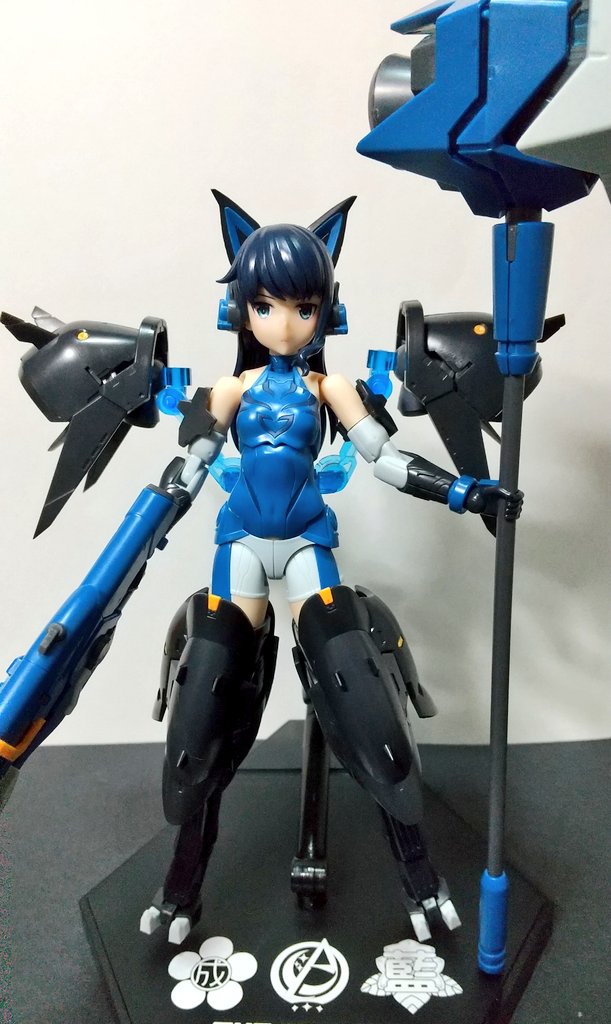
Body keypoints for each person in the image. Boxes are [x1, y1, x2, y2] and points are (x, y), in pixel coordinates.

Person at [139, 191, 517, 944]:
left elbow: (384, 459)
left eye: (302, 308)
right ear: (243, 310)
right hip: (242, 545)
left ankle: (420, 883)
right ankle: (180, 893)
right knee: (203, 719)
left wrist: (463, 491)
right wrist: (140, 536)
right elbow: (190, 468)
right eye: (267, 306)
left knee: (362, 703)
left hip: (309, 541)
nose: (284, 324)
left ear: (324, 311)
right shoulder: (230, 390)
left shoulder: (330, 388)